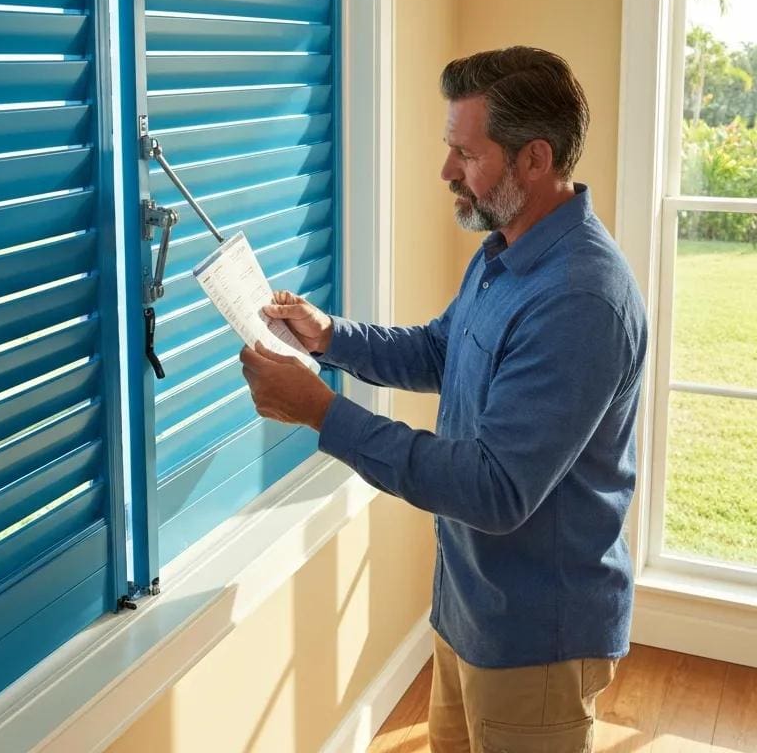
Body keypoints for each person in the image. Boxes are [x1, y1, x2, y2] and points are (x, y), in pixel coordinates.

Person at [240, 46, 647, 753]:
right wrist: (329, 337)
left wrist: (321, 413)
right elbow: (441, 350)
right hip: (469, 608)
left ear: (534, 160)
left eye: (466, 153)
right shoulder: (504, 251)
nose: (446, 171)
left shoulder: (580, 299)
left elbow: (495, 489)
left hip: (535, 639)